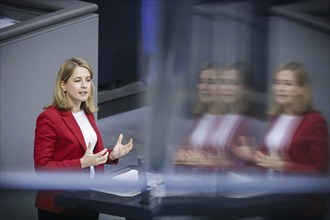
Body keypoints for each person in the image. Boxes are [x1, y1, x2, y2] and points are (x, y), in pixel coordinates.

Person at [33, 57, 133, 220]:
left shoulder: (87, 113)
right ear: (63, 85)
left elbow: (90, 156)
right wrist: (81, 163)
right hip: (60, 206)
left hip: (89, 200)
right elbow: (42, 168)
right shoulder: (48, 118)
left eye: (88, 80)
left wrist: (112, 155)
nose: (85, 85)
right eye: (78, 80)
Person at [233, 61, 328, 219]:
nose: (281, 88)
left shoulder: (315, 121)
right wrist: (251, 156)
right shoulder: (276, 118)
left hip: (300, 207)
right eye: (277, 83)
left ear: (302, 90)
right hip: (272, 200)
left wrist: (284, 166)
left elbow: (319, 171)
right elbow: (269, 160)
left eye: (288, 83)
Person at [174, 62, 262, 170]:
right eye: (224, 83)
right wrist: (185, 155)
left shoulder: (250, 123)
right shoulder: (209, 119)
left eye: (234, 83)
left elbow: (252, 162)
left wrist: (213, 162)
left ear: (245, 89)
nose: (227, 88)